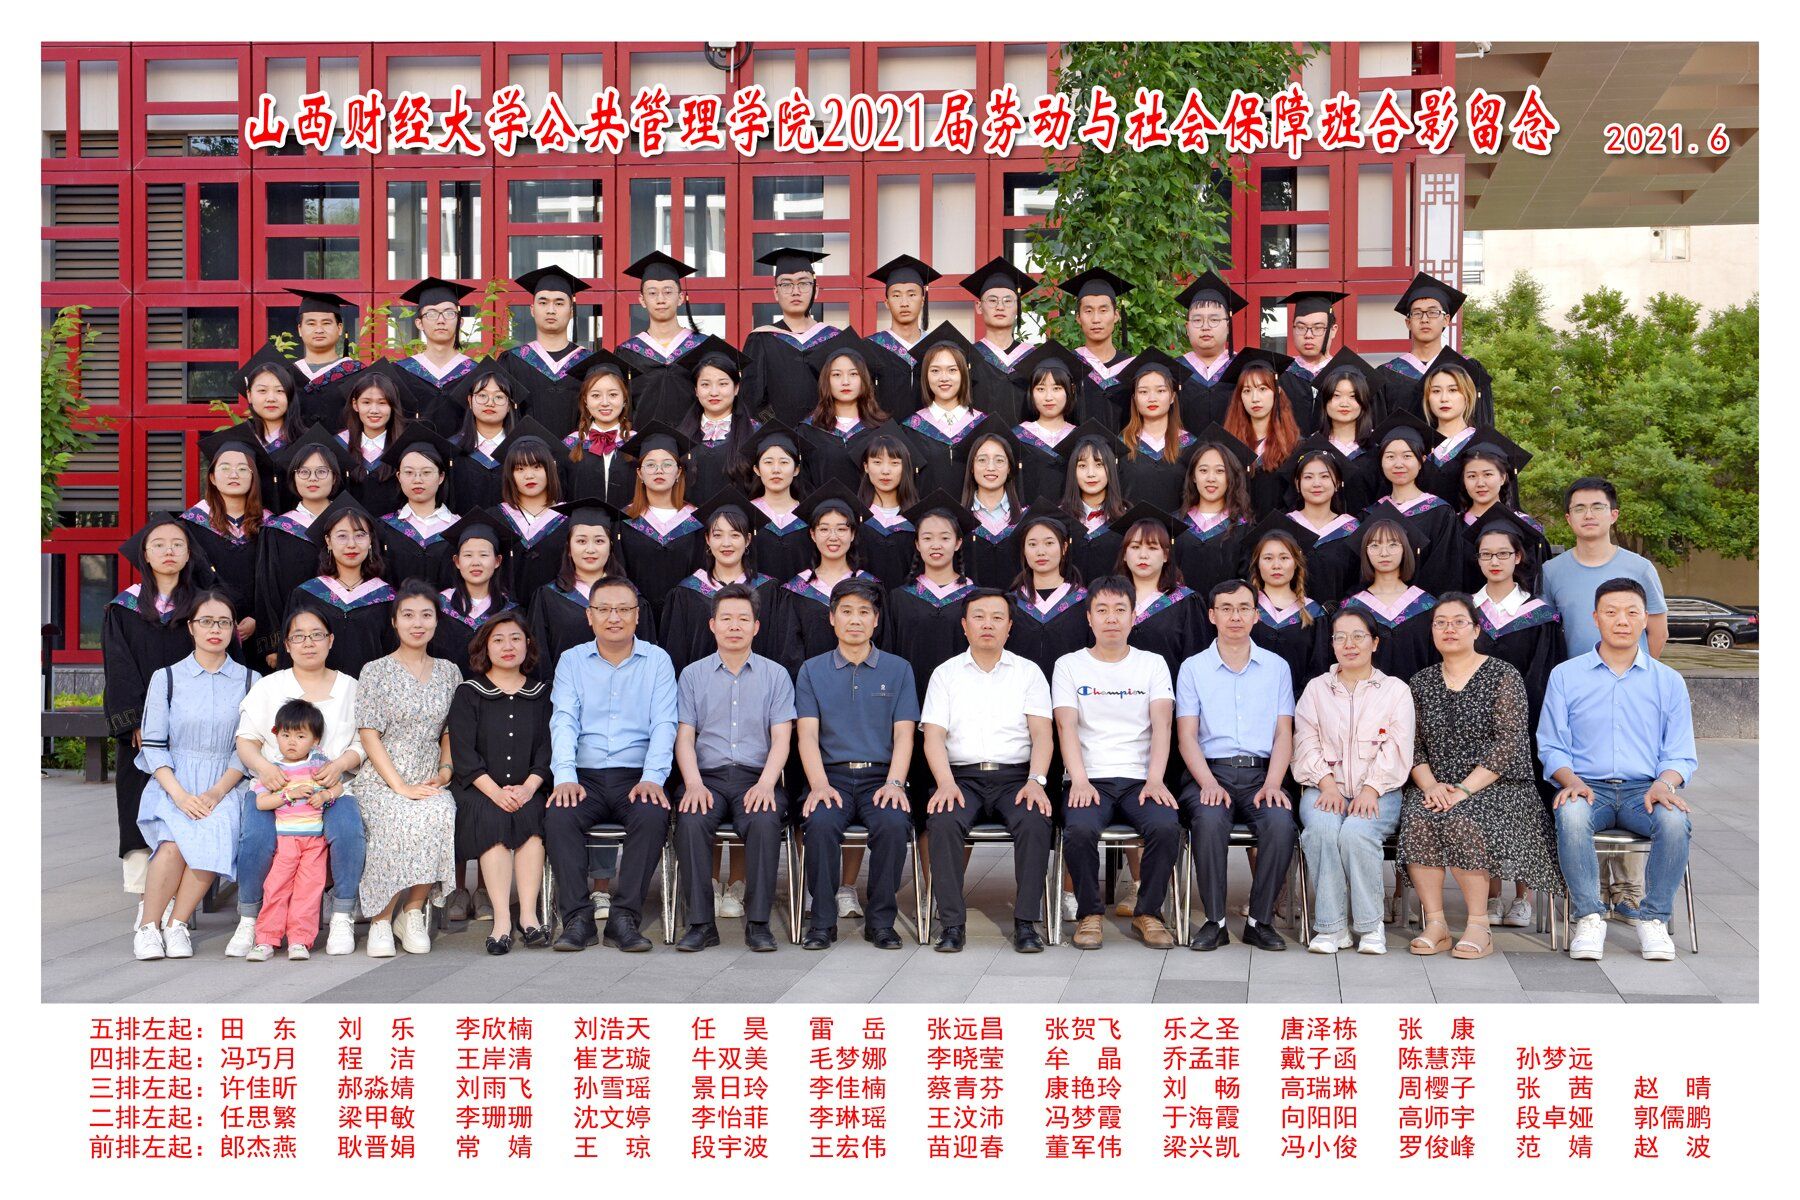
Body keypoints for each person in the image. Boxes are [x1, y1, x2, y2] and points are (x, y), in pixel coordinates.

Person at [1539, 578, 1697, 963]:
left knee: (1675, 821)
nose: (1621, 621)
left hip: (1645, 791)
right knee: (1571, 816)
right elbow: (1551, 744)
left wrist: (1665, 783)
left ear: (1645, 619)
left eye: (1631, 612)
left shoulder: (1668, 681)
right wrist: (1570, 780)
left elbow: (1680, 751)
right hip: (1586, 787)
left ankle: (1653, 918)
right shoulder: (1566, 675)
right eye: (1611, 612)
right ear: (1596, 618)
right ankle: (1589, 916)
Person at [1400, 593, 1562, 959]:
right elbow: (1412, 745)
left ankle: (1478, 925)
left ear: (1476, 629)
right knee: (1418, 816)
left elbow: (1508, 743)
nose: (1449, 629)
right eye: (1440, 623)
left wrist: (1462, 790)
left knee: (1461, 818)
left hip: (1498, 785)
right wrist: (1430, 786)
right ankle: (1436, 924)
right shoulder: (1420, 682)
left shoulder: (1503, 675)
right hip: (1437, 785)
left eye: (1459, 622)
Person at [545, 577, 679, 953]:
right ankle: (577, 918)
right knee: (559, 817)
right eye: (604, 609)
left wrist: (653, 778)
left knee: (651, 815)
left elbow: (665, 723)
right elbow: (564, 721)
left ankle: (624, 918)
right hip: (584, 776)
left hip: (636, 776)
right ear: (589, 616)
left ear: (637, 615)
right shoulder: (572, 660)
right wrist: (565, 776)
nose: (614, 617)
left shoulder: (657, 661)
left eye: (623, 609)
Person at [920, 588, 1055, 954]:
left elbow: (1042, 734)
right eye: (979, 617)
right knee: (943, 821)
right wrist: (944, 783)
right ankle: (952, 924)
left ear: (1009, 627)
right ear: (964, 625)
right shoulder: (946, 674)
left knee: (1035, 819)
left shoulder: (1028, 673)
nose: (987, 625)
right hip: (961, 778)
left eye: (997, 618)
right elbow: (933, 736)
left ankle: (1026, 923)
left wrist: (1036, 781)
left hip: (1015, 778)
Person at [230, 607, 368, 958]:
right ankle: (250, 918)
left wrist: (340, 765)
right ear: (287, 644)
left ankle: (342, 915)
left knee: (348, 831)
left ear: (330, 640)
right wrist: (265, 769)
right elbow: (246, 740)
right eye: (299, 636)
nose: (309, 643)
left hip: (331, 787)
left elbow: (363, 741)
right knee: (255, 838)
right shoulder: (269, 686)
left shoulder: (350, 688)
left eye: (317, 635)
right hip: (275, 787)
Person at [1052, 576, 1181, 950]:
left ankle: (1148, 912)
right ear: (1089, 618)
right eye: (1102, 610)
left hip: (1140, 779)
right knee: (1079, 830)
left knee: (1165, 827)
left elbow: (1162, 725)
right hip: (1089, 778)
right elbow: (1066, 726)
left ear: (1133, 617)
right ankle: (1089, 914)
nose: (1111, 618)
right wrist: (1079, 779)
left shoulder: (1152, 664)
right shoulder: (1069, 665)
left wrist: (1155, 779)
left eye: (1120, 610)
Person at [129, 590, 256, 962]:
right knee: (172, 844)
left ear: (234, 629)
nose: (215, 629)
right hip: (175, 780)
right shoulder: (167, 678)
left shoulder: (250, 680)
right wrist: (181, 795)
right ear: (191, 627)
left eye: (223, 622)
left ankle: (177, 925)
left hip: (226, 782)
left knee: (213, 836)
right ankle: (148, 927)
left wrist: (216, 792)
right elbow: (154, 745)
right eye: (206, 621)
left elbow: (247, 746)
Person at [794, 578, 919, 950]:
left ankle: (881, 922)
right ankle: (822, 923)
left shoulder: (898, 669)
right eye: (846, 611)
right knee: (819, 824)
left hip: (880, 777)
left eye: (864, 612)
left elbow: (905, 735)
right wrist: (818, 784)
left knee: (894, 824)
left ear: (876, 620)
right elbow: (807, 735)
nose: (855, 620)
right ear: (832, 619)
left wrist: (895, 783)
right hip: (830, 776)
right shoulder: (811, 670)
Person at [1176, 579, 1299, 952]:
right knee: (1209, 820)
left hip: (1262, 774)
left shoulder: (1276, 667)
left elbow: (1283, 733)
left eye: (1244, 608)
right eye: (1226, 609)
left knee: (1280, 824)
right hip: (1209, 772)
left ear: (1256, 615)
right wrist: (1208, 783)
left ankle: (1259, 921)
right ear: (1212, 615)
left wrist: (1274, 783)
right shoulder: (1193, 668)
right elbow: (1187, 737)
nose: (1235, 616)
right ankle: (1215, 922)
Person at [672, 582, 795, 953]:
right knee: (691, 821)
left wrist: (767, 784)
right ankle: (700, 924)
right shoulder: (692, 675)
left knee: (765, 819)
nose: (734, 626)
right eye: (726, 618)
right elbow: (684, 737)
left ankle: (758, 923)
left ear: (756, 626)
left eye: (743, 618)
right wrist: (693, 784)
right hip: (705, 778)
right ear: (712, 625)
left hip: (756, 778)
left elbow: (782, 738)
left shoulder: (776, 675)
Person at [1292, 607, 1415, 955]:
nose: (1349, 644)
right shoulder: (1317, 689)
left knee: (1357, 833)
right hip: (1324, 787)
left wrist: (1371, 789)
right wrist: (1326, 783)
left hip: (1380, 791)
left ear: (1374, 642)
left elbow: (1397, 746)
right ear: (1332, 644)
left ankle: (1370, 925)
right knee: (1322, 830)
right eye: (1340, 637)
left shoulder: (1395, 690)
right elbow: (1305, 741)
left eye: (1358, 636)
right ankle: (1332, 928)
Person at [354, 581, 463, 957]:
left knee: (440, 811)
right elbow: (369, 734)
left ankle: (412, 912)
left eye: (426, 615)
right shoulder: (375, 671)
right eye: (408, 615)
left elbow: (450, 731)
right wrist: (399, 786)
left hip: (428, 772)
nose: (418, 623)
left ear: (437, 621)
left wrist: (445, 772)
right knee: (394, 819)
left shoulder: (449, 672)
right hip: (383, 776)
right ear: (394, 621)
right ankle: (381, 919)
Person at [1469, 509, 1567, 929]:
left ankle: (1523, 895)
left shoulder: (1539, 614)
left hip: (1524, 727)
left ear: (1518, 558)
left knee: (1523, 808)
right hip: (1472, 728)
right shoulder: (1465, 610)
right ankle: (1491, 895)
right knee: (1482, 810)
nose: (1494, 561)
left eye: (1503, 554)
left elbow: (1544, 673)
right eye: (1486, 554)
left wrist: (1517, 715)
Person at [106, 516, 205, 919]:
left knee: (190, 800)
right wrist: (134, 721)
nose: (168, 551)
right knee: (137, 801)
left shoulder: (204, 607)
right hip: (143, 730)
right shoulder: (123, 608)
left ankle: (180, 896)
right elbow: (119, 667)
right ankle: (144, 896)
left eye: (177, 544)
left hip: (194, 726)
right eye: (159, 544)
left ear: (188, 553)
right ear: (144, 555)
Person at [448, 612, 553, 955]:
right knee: (492, 818)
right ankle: (502, 920)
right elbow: (463, 753)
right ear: (485, 647)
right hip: (480, 789)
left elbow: (547, 748)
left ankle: (529, 916)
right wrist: (495, 792)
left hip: (528, 787)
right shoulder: (469, 693)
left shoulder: (542, 694)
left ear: (528, 644)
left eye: (515, 638)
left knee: (532, 819)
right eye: (498, 639)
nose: (508, 646)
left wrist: (529, 787)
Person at [243, 699, 341, 962]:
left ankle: (299, 940)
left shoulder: (317, 766)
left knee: (308, 891)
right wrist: (289, 795)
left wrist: (326, 796)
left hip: (314, 842)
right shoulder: (274, 770)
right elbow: (262, 802)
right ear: (276, 735)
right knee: (276, 887)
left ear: (315, 740)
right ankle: (266, 939)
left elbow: (338, 787)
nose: (292, 742)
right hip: (285, 841)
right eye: (285, 735)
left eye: (300, 736)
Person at [254, 424, 353, 666]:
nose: (312, 479)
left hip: (347, 635)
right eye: (304, 472)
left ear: (335, 477)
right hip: (296, 642)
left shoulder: (352, 525)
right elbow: (267, 589)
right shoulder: (278, 529)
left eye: (321, 471)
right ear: (293, 478)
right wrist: (274, 644)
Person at [1540, 476, 1670, 660]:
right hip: (1574, 675)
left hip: (1629, 675)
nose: (1588, 515)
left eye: (1598, 507)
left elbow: (1659, 633)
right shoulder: (1551, 571)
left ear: (1613, 515)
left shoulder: (1641, 569)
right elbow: (1546, 634)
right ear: (1568, 519)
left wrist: (1641, 673)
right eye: (1579, 508)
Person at [528, 500, 651, 685]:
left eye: (599, 541)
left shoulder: (632, 599)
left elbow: (646, 658)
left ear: (610, 546)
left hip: (625, 695)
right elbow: (539, 660)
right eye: (581, 541)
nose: (590, 549)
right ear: (569, 548)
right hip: (565, 694)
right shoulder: (548, 597)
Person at [658, 489, 782, 674]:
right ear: (707, 539)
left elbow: (777, 650)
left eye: (735, 535)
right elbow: (676, 655)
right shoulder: (687, 592)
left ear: (748, 540)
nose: (726, 543)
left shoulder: (768, 590)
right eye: (717, 535)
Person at [770, 481, 880, 674]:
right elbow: (790, 655)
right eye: (824, 529)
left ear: (852, 534)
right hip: (812, 686)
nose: (833, 537)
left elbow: (882, 646)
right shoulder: (796, 590)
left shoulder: (871, 586)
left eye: (841, 529)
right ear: (812, 534)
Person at [184, 429, 272, 658]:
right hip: (210, 630)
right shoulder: (191, 525)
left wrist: (258, 618)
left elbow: (276, 581)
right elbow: (189, 581)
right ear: (212, 477)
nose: (234, 474)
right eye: (225, 468)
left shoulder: (272, 526)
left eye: (243, 469)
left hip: (259, 634)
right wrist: (217, 618)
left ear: (253, 477)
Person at [287, 495, 395, 677]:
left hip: (371, 690)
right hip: (317, 689)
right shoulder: (306, 595)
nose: (351, 544)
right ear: (328, 541)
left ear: (370, 541)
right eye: (342, 536)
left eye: (360, 535)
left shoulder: (387, 598)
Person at [1374, 272, 1496, 427]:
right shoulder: (1386, 375)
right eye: (1417, 313)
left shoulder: (1468, 369)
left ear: (1446, 320)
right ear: (1408, 322)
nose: (1424, 319)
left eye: (1433, 312)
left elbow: (1483, 424)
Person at [742, 245, 845, 426]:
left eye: (803, 283)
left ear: (816, 290)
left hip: (827, 432)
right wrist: (779, 427)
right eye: (786, 284)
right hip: (778, 436)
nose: (795, 291)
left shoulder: (835, 339)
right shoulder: (761, 339)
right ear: (776, 292)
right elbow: (752, 399)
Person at [1364, 412, 1460, 595]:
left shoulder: (1440, 513)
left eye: (1407, 456)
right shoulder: (1370, 514)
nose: (1398, 464)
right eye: (1390, 457)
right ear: (1381, 462)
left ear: (1422, 461)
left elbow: (1445, 572)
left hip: (1428, 606)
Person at [615, 421, 701, 626]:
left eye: (667, 464)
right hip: (636, 619)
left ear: (678, 472)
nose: (659, 471)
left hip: (686, 618)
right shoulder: (623, 520)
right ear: (639, 473)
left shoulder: (696, 520)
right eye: (650, 465)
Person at [1339, 518, 1440, 684]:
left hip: (1419, 695)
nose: (1384, 553)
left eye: (1393, 544)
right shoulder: (1351, 608)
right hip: (1366, 697)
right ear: (1365, 552)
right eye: (1375, 545)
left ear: (1405, 550)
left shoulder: (1428, 605)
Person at [1114, 505, 1211, 675]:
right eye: (1135, 547)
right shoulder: (1110, 599)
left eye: (1152, 548)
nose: (1143, 555)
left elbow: (1197, 664)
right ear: (1124, 555)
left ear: (1166, 555)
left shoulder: (1186, 602)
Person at [613, 251, 706, 428]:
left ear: (680, 298)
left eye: (668, 292)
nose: (661, 299)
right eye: (652, 293)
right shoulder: (627, 352)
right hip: (643, 442)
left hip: (695, 441)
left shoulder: (702, 347)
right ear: (642, 300)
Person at [500, 265, 594, 438]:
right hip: (525, 452)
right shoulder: (512, 361)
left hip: (579, 453)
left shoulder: (589, 363)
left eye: (559, 303)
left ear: (571, 311)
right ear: (532, 309)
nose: (551, 310)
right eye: (543, 303)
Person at [898, 325, 990, 497]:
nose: (944, 378)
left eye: (952, 370)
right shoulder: (911, 429)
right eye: (935, 371)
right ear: (925, 376)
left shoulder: (983, 425)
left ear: (964, 374)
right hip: (927, 514)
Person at [1454, 429, 1551, 592]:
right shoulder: (1453, 526)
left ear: (1503, 477)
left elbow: (1536, 580)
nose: (1480, 483)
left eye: (1488, 474)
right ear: (1464, 481)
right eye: (1471, 476)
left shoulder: (1524, 525)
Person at [1270, 438, 1361, 609]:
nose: (1316, 484)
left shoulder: (1353, 530)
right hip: (1292, 618)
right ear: (1297, 484)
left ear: (1337, 483)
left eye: (1325, 476)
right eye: (1308, 477)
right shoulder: (1284, 527)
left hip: (1341, 618)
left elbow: (1359, 581)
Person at [427, 513, 519, 679]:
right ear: (457, 561)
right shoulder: (437, 607)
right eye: (468, 555)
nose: (475, 562)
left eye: (484, 555)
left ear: (497, 561)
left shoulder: (511, 611)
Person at [1244, 525, 1331, 701]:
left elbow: (1318, 668)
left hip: (1300, 707)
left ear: (1296, 562)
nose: (1276, 565)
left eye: (1284, 558)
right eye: (1268, 558)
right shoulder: (1245, 609)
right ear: (1257, 563)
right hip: (1247, 704)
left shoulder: (1313, 613)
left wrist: (1296, 703)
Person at [1006, 507, 1091, 682]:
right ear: (1024, 550)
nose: (1041, 552)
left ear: (1064, 547)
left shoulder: (1084, 601)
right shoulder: (1011, 603)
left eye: (1049, 543)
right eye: (1032, 544)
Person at [798, 340, 893, 494]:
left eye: (853, 374)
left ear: (864, 379)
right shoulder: (808, 431)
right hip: (823, 509)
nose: (845, 382)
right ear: (826, 381)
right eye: (836, 374)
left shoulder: (882, 429)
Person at [1172, 430, 1256, 602]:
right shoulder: (1175, 523)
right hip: (1181, 614)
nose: (1211, 478)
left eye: (1220, 471)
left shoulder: (1244, 527)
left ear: (1230, 477)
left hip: (1226, 614)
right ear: (1193, 476)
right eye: (1203, 470)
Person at [375, 424, 462, 590]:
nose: (417, 480)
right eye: (409, 472)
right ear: (399, 477)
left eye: (426, 472)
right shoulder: (384, 528)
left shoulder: (459, 527)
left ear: (441, 477)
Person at [494, 426, 574, 603]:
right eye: (520, 469)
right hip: (506, 613)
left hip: (555, 610)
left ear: (551, 467)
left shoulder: (569, 519)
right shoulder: (495, 519)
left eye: (537, 467)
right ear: (510, 474)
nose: (529, 475)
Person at [675, 336, 757, 507]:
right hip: (689, 521)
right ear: (696, 390)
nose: (714, 392)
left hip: (737, 521)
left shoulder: (755, 432)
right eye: (705, 384)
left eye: (723, 384)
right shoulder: (680, 435)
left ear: (736, 388)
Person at [1220, 348, 1302, 517]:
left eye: (1262, 389)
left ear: (1277, 392)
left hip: (1278, 530)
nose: (1255, 398)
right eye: (1247, 391)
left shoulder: (1296, 446)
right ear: (1239, 398)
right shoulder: (1227, 445)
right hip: (1236, 530)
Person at [391, 277, 478, 434]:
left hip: (465, 449)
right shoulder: (401, 372)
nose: (441, 320)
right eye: (431, 314)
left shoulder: (476, 372)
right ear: (419, 323)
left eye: (449, 313)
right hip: (415, 449)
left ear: (460, 322)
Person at [958, 256, 1037, 424]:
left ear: (1018, 307)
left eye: (1008, 301)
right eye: (992, 300)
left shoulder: (1034, 357)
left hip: (1026, 440)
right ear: (979, 307)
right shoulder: (966, 357)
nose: (1000, 307)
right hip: (980, 439)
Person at [1116, 348, 1197, 512]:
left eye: (1160, 391)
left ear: (1172, 396)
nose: (1152, 398)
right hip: (1133, 527)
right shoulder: (1121, 445)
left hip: (1178, 527)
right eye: (1143, 392)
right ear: (1134, 398)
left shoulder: (1191, 445)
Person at [1056, 267, 1137, 429]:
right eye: (1088, 311)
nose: (1096, 319)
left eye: (1103, 310)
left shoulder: (1132, 368)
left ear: (1116, 316)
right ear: (1078, 318)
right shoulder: (1067, 366)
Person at [1008, 341, 1086, 506]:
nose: (1048, 397)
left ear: (1070, 391)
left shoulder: (1080, 438)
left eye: (1057, 388)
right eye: (1041, 389)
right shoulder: (1017, 437)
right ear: (1031, 393)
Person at [864, 254, 940, 420]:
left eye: (912, 295)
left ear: (922, 300)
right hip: (884, 433)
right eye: (896, 295)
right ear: (886, 302)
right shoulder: (870, 348)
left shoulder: (937, 349)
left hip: (929, 434)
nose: (904, 303)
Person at [561, 350, 639, 510]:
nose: (605, 402)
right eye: (596, 395)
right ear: (585, 400)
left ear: (625, 399)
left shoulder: (637, 444)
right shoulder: (570, 444)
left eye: (613, 395)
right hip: (583, 525)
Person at [1308, 349, 1383, 514]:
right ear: (1325, 401)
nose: (1344, 403)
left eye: (1353, 396)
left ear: (1363, 402)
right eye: (1336, 395)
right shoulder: (1311, 447)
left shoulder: (1377, 448)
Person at [1174, 271, 1249, 434]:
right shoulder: (1173, 370)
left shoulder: (1244, 368)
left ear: (1228, 326)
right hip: (1185, 450)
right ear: (1187, 328)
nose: (1205, 327)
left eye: (1214, 320)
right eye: (1197, 320)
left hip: (1235, 449)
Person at [283, 288, 366, 431]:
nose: (319, 330)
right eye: (311, 324)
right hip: (294, 445)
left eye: (326, 323)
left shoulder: (359, 373)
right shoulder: (285, 375)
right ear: (300, 329)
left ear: (339, 328)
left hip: (345, 445)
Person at [741, 421, 813, 586]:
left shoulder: (809, 515)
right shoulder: (746, 514)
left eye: (784, 462)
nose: (776, 469)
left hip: (800, 598)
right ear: (757, 470)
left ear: (796, 469)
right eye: (768, 462)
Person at [446, 362, 523, 513]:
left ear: (509, 405)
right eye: (482, 395)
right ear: (470, 401)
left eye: (499, 397)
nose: (490, 403)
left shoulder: (522, 449)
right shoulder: (451, 449)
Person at [1058, 424, 1130, 584]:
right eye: (1082, 466)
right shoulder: (1059, 518)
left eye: (1099, 464)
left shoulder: (1127, 519)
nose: (1091, 474)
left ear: (1111, 468)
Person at [957, 425, 1025, 589]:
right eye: (982, 460)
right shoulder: (957, 519)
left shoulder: (1026, 518)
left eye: (999, 460)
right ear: (971, 467)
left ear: (1009, 468)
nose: (991, 467)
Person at [1274, 288, 1350, 433]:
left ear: (1333, 330)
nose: (1308, 335)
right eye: (1301, 327)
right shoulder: (1279, 374)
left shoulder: (1347, 375)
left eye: (1318, 328)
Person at [853, 430, 920, 591]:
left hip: (907, 601)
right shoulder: (855, 515)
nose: (885, 471)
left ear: (905, 467)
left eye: (894, 463)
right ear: (866, 467)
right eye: (877, 462)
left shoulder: (917, 519)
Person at [338, 364, 407, 517]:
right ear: (355, 404)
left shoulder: (405, 446)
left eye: (382, 403)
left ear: (392, 405)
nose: (374, 410)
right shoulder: (339, 445)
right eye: (366, 402)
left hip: (395, 527)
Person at [1415, 351, 1483, 500]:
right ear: (1427, 398)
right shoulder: (1419, 446)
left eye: (1453, 390)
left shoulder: (1481, 444)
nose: (1444, 398)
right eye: (1436, 391)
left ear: (1467, 396)